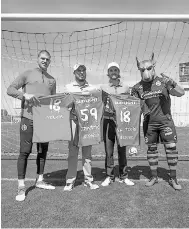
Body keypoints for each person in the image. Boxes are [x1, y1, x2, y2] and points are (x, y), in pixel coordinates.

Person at [7, 50, 56, 201]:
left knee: (42, 151)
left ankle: (40, 180)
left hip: (44, 121)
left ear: (50, 61)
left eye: (47, 59)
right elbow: (10, 89)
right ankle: (21, 187)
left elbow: (53, 100)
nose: (45, 61)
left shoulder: (52, 80)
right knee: (25, 152)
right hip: (28, 119)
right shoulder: (27, 73)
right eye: (42, 58)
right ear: (37, 59)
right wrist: (24, 95)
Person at [131, 53, 185, 190]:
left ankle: (173, 178)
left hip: (166, 122)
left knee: (171, 148)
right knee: (151, 149)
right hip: (149, 124)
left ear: (153, 66)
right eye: (142, 70)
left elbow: (181, 92)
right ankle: (154, 176)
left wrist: (172, 82)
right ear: (139, 70)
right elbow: (133, 107)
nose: (146, 72)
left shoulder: (164, 81)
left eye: (148, 68)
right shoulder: (137, 88)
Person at [63, 64, 99, 191]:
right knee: (73, 152)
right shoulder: (68, 87)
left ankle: (88, 180)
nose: (81, 72)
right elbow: (64, 105)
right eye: (79, 70)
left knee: (87, 153)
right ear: (74, 72)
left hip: (87, 123)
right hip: (73, 122)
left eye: (83, 70)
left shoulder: (93, 88)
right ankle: (70, 181)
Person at [100, 62, 135, 187]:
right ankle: (109, 176)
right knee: (108, 151)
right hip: (108, 121)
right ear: (108, 73)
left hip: (121, 123)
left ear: (118, 72)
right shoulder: (102, 88)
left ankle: (124, 176)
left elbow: (129, 105)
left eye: (115, 70)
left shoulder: (125, 88)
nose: (113, 72)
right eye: (111, 70)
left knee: (122, 151)